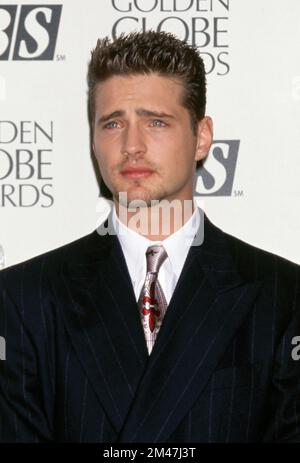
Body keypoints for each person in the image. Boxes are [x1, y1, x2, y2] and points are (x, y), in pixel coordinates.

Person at [0, 31, 299, 443]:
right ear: (93, 139)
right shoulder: (23, 298)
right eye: (113, 123)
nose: (132, 146)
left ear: (202, 137)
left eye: (156, 122)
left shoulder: (283, 296)